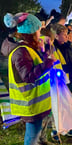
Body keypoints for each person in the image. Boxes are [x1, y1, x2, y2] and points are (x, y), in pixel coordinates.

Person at [6, 13, 54, 145]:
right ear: (31, 32)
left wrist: (45, 52)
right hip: (30, 102)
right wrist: (48, 63)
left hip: (35, 101)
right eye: (38, 30)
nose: (40, 33)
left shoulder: (28, 49)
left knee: (36, 133)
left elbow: (36, 64)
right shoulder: (21, 52)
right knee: (31, 137)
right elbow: (28, 76)